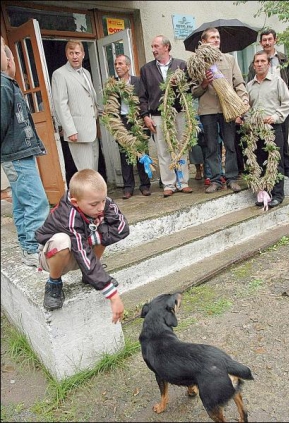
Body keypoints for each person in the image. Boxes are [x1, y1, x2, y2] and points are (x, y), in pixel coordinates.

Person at [35, 169, 129, 323]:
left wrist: (99, 229)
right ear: (74, 202)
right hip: (54, 257)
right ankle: (54, 283)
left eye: (103, 201)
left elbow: (122, 228)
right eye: (94, 204)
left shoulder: (101, 203)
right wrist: (113, 295)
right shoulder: (69, 217)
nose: (100, 207)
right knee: (62, 241)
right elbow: (82, 252)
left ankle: (89, 277)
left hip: (80, 250)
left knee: (102, 230)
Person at [1, 37, 50, 267]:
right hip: (16, 155)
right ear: (9, 61)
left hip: (17, 154)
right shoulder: (2, 85)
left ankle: (26, 247)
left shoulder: (8, 83)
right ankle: (33, 248)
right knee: (37, 201)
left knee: (21, 202)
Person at [192, 27, 250, 194]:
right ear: (203, 42)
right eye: (212, 37)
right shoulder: (197, 63)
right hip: (208, 111)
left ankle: (232, 178)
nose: (216, 40)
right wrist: (204, 83)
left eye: (218, 37)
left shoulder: (229, 60)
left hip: (228, 110)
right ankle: (216, 180)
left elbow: (239, 83)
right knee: (211, 147)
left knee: (230, 145)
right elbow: (194, 92)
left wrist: (243, 100)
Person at [139, 35, 193, 198]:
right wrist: (145, 116)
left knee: (180, 147)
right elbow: (143, 96)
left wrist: (180, 84)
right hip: (158, 114)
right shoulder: (146, 69)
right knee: (163, 149)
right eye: (152, 47)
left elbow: (190, 89)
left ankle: (183, 182)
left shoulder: (181, 65)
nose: (153, 50)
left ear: (167, 47)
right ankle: (169, 184)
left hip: (179, 113)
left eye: (156, 46)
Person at [245, 50, 289, 208]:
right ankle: (264, 193)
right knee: (259, 161)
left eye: (262, 61)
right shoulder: (249, 86)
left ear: (268, 63)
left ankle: (278, 195)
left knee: (275, 161)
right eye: (257, 62)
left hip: (273, 128)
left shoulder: (277, 82)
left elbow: (287, 103)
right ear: (253, 65)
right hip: (256, 130)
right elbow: (247, 107)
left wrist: (275, 117)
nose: (259, 64)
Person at [247, 29, 289, 179]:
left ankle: (286, 167)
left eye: (270, 39)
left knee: (282, 139)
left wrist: (284, 104)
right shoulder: (255, 63)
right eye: (264, 40)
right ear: (261, 42)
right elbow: (251, 85)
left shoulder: (283, 59)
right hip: (263, 110)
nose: (267, 42)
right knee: (265, 144)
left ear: (275, 40)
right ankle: (267, 172)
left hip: (281, 106)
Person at [52, 40, 101, 174]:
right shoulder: (60, 74)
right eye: (71, 53)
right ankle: (89, 195)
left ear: (83, 54)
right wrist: (70, 130)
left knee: (93, 169)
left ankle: (94, 195)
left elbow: (90, 99)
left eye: (77, 53)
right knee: (86, 171)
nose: (74, 56)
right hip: (77, 132)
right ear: (66, 55)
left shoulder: (86, 72)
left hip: (92, 130)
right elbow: (60, 104)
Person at [114, 54, 151, 199]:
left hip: (137, 119)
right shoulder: (113, 84)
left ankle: (145, 185)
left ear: (128, 66)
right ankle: (128, 187)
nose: (117, 66)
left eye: (120, 64)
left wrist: (144, 116)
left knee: (141, 151)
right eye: (116, 64)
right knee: (125, 154)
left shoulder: (137, 81)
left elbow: (143, 99)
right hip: (121, 121)